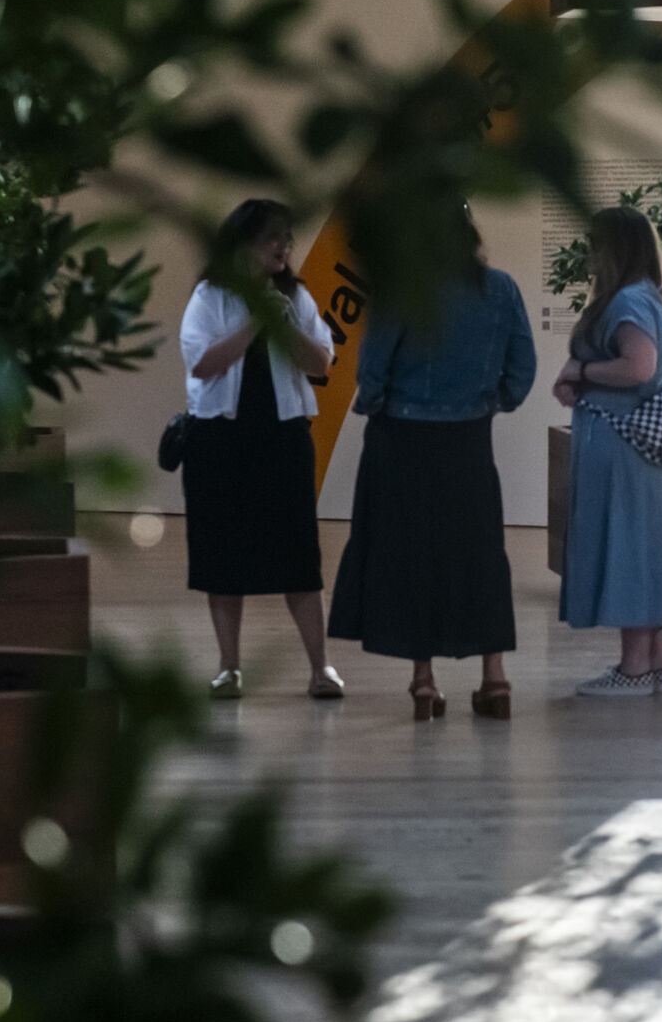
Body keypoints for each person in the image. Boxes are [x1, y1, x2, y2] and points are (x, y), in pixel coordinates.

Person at [328, 207, 535, 721]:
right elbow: (522, 369)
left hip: (402, 439)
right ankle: (495, 678)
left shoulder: (403, 289)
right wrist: (489, 401)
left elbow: (373, 367)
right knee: (481, 553)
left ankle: (423, 681)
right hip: (469, 442)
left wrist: (377, 405)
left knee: (412, 554)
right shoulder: (503, 289)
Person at [178, 199, 343, 700]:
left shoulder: (296, 296)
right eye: (275, 238)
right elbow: (202, 365)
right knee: (221, 555)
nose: (285, 247)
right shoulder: (210, 295)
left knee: (298, 554)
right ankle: (229, 667)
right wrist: (253, 323)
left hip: (283, 439)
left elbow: (321, 363)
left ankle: (321, 668)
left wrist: (282, 321)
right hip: (218, 442)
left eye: (288, 239)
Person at [554, 206, 662, 696]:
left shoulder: (626, 300)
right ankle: (654, 665)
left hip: (622, 447)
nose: (589, 253)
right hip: (648, 453)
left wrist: (582, 373)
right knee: (650, 549)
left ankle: (633, 669)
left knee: (627, 548)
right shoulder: (648, 297)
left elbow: (638, 367)